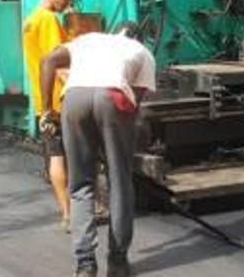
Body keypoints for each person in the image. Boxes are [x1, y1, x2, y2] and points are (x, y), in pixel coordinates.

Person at [40, 26, 157, 277]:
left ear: (115, 33)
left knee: (81, 184)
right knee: (120, 182)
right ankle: (117, 262)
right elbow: (133, 103)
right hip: (113, 97)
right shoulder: (143, 52)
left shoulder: (89, 40)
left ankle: (85, 265)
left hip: (73, 98)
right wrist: (115, 143)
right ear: (138, 37)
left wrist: (48, 109)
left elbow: (48, 60)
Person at [22, 0, 76, 233]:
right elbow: (59, 64)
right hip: (60, 100)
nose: (68, 4)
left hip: (43, 100)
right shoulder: (48, 20)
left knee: (55, 155)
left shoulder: (30, 20)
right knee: (72, 156)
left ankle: (66, 214)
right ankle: (80, 209)